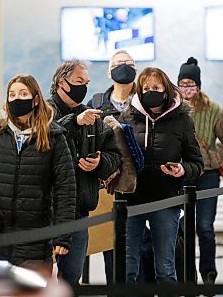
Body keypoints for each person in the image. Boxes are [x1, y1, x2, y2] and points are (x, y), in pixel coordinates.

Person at [0, 75, 76, 271]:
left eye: (23, 94)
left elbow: (66, 188)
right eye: (12, 95)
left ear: (36, 99)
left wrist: (62, 236)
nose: (16, 99)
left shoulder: (54, 136)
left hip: (36, 241)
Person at [119, 67, 204, 284]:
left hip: (167, 200)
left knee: (165, 268)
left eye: (155, 88)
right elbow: (116, 156)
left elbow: (196, 162)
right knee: (128, 266)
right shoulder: (127, 116)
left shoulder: (182, 119)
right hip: (132, 201)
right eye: (145, 88)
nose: (150, 92)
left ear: (166, 90)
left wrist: (182, 169)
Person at [48, 60, 121, 285]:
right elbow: (42, 141)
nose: (84, 87)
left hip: (79, 209)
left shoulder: (91, 117)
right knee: (37, 278)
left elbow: (114, 155)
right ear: (62, 82)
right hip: (45, 209)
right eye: (79, 82)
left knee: (71, 278)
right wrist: (74, 122)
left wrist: (99, 163)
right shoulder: (43, 111)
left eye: (86, 82)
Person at [177, 57, 223, 284]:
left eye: (191, 84)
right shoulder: (172, 109)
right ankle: (186, 273)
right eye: (182, 84)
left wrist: (214, 158)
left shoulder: (213, 109)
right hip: (180, 176)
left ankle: (209, 272)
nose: (187, 88)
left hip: (207, 176)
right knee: (182, 227)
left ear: (198, 86)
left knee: (204, 226)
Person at [86, 50, 138, 283]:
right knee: (112, 247)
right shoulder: (97, 103)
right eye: (118, 64)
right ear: (109, 71)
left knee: (141, 247)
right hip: (109, 186)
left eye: (128, 63)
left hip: (142, 186)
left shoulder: (146, 100)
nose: (124, 67)